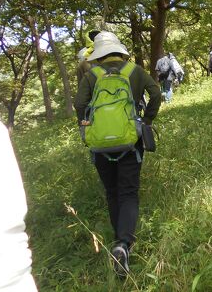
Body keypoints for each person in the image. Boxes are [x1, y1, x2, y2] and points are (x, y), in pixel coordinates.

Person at [75, 31, 161, 277]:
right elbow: (155, 94)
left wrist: (87, 128)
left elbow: (80, 105)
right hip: (130, 140)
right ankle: (123, 244)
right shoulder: (134, 71)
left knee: (112, 191)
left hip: (101, 144)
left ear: (99, 53)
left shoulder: (92, 74)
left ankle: (118, 242)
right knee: (128, 191)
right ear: (120, 50)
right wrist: (146, 121)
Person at [0, 105, 38, 291]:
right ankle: (123, 240)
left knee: (116, 193)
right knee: (125, 192)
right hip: (125, 141)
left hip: (101, 144)